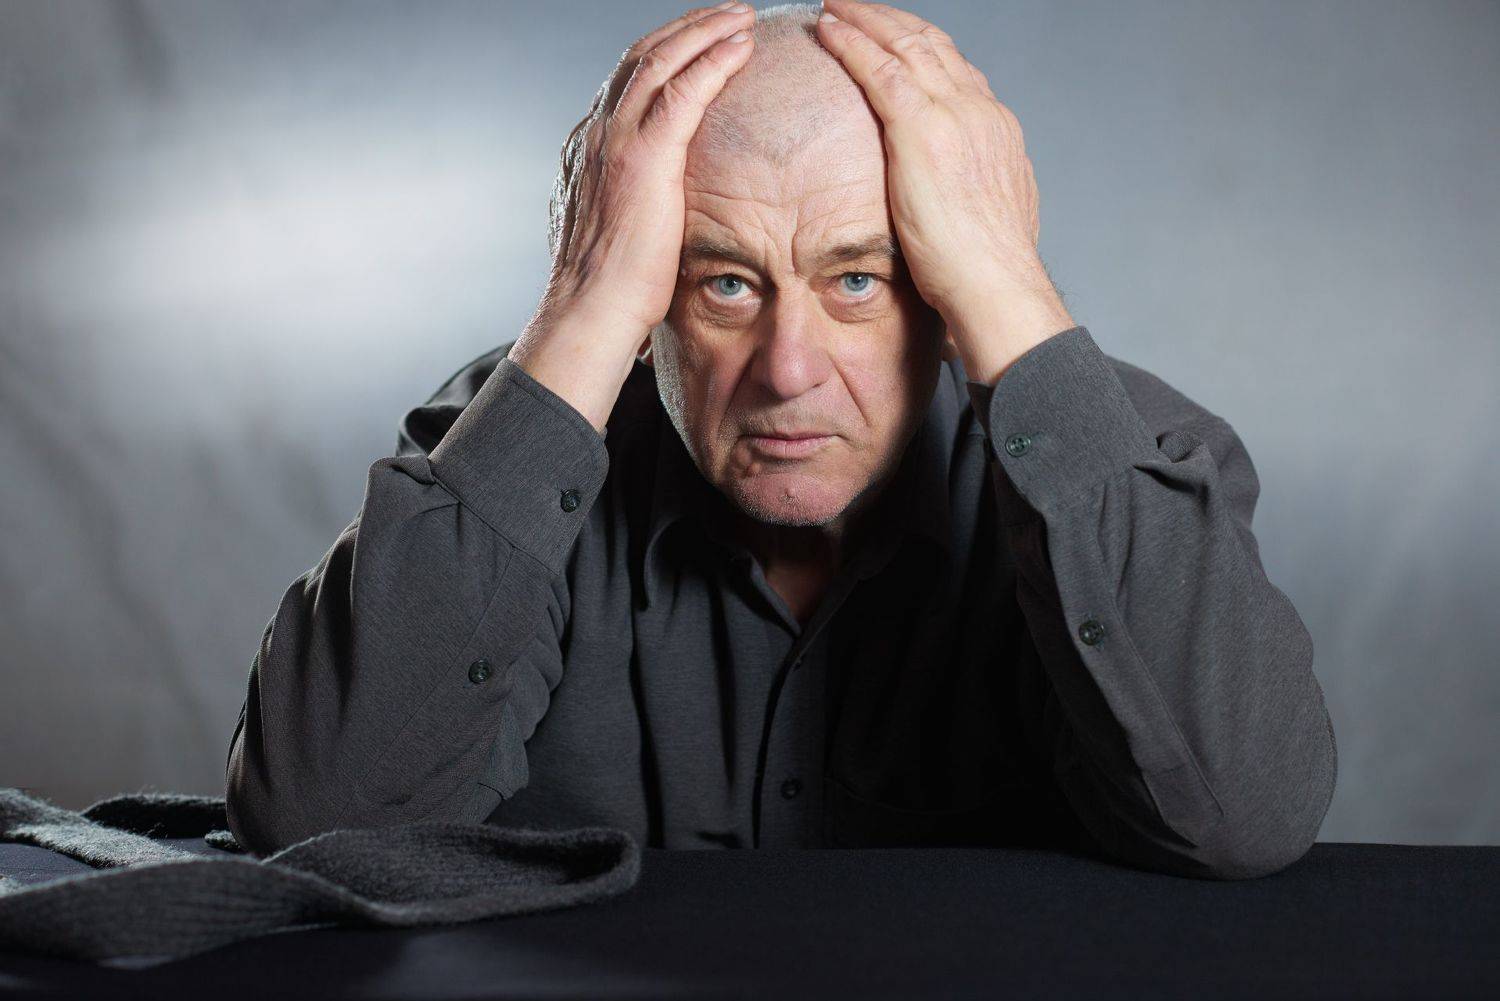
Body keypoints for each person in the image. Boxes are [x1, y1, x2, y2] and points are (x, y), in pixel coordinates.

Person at [226, 0, 1337, 879]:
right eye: (724, 282)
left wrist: (1008, 283)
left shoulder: (1129, 456)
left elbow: (1244, 816)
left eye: (857, 280)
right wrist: (583, 303)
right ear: (650, 290)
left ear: (942, 292)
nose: (788, 368)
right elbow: (320, 822)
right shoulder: (509, 450)